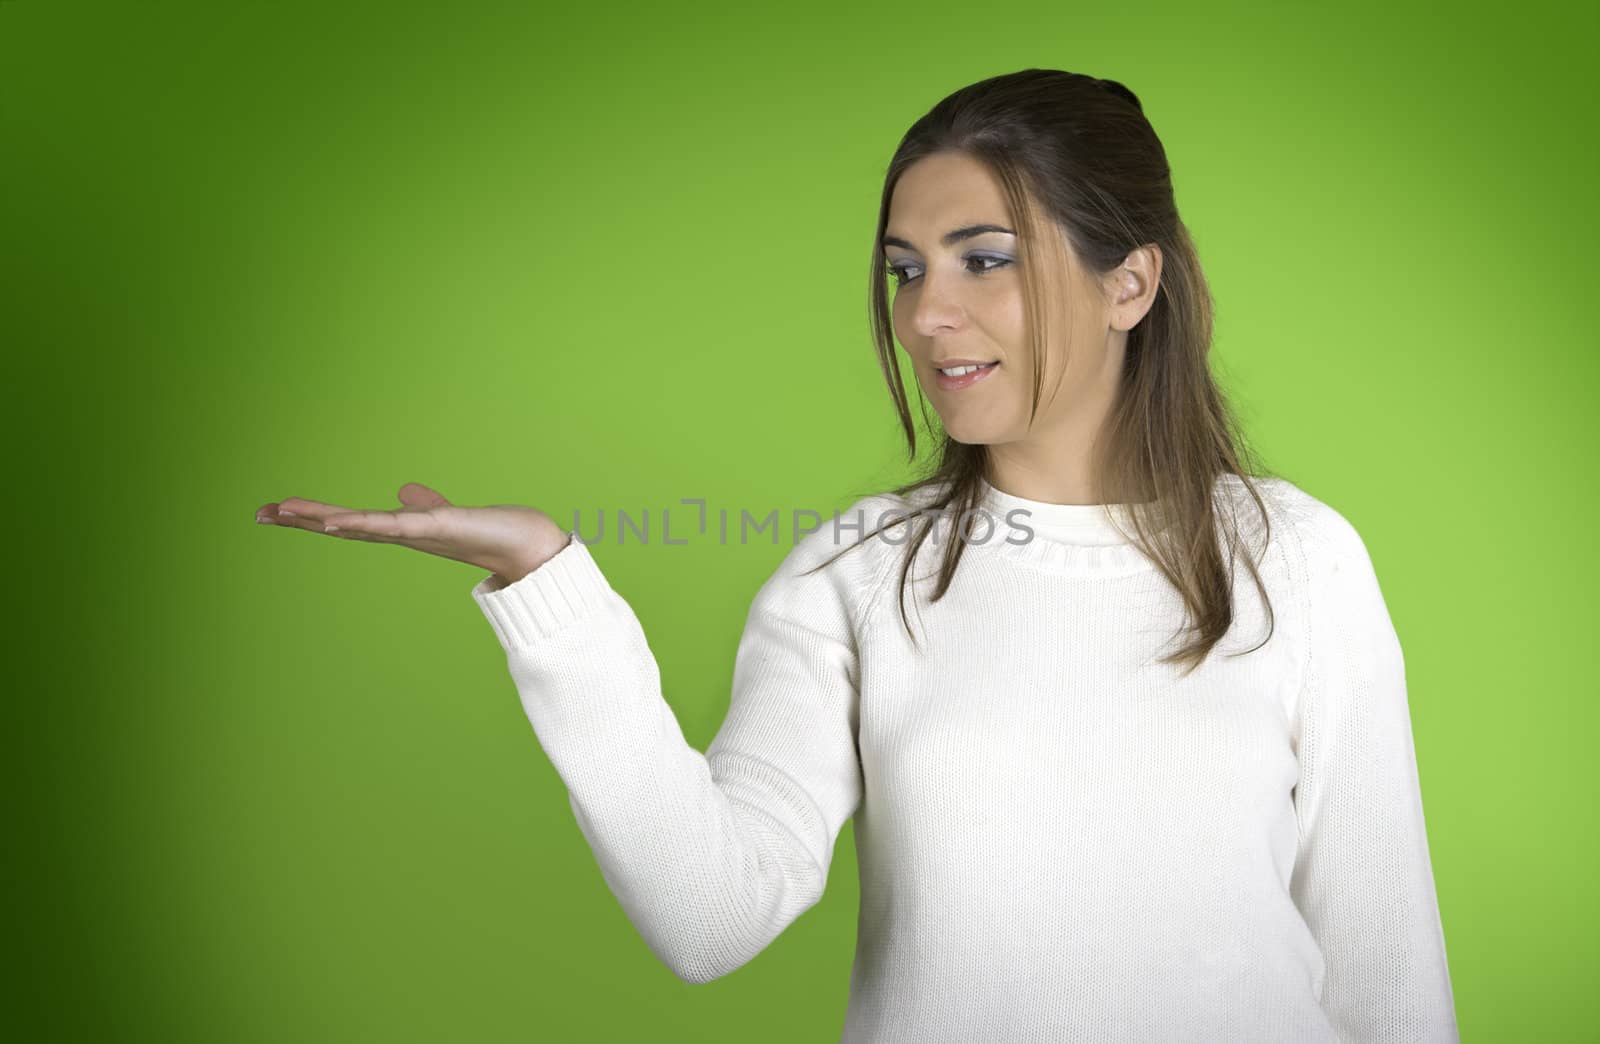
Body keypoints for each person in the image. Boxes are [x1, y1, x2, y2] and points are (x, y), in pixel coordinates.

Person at [255, 69, 1459, 1043]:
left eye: (984, 257)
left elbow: (1384, 974)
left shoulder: (1291, 558)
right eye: (904, 268)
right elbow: (708, 915)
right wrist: (549, 589)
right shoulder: (856, 576)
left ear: (1129, 280)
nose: (928, 313)